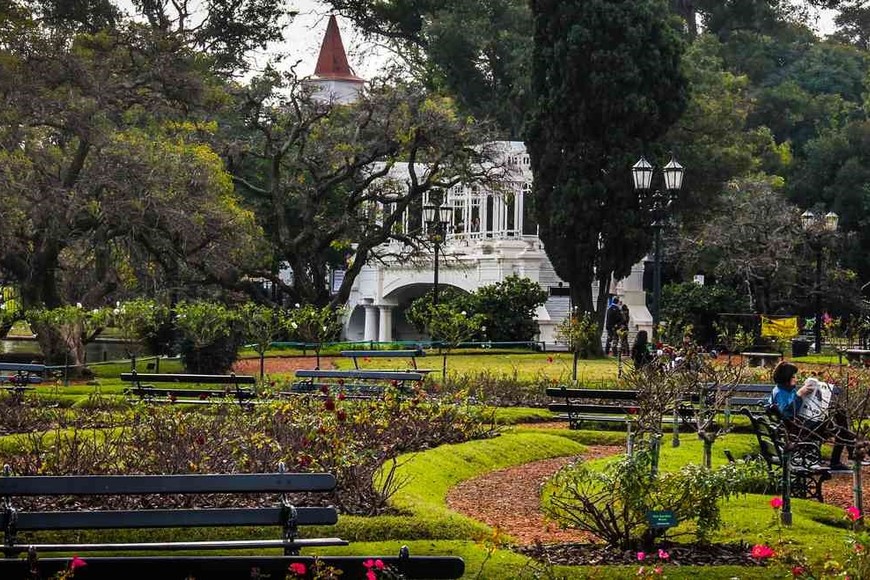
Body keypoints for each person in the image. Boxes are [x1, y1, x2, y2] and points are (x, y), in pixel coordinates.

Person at [769, 362, 858, 470]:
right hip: (799, 429)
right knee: (840, 426)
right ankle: (846, 455)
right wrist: (799, 394)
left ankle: (850, 451)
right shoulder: (781, 393)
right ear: (786, 378)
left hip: (800, 425)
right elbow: (787, 415)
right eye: (793, 376)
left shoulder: (783, 389)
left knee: (840, 415)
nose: (796, 379)